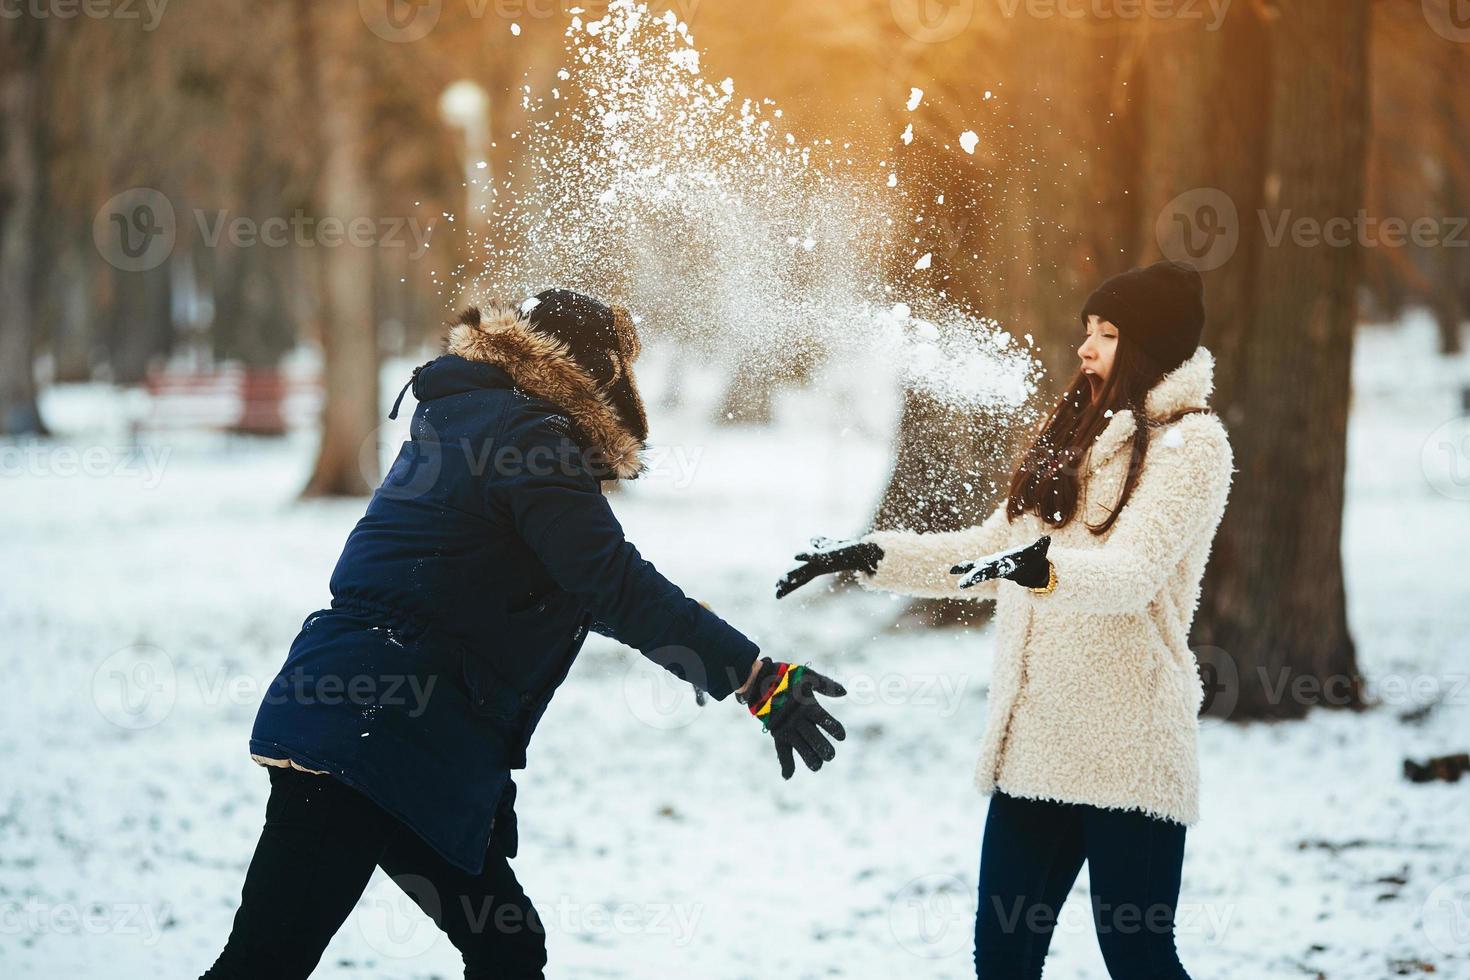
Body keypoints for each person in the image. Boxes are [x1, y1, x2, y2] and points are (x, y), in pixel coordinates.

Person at [203, 289, 847, 979]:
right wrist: (751, 676)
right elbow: (613, 585)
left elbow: (569, 588)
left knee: (503, 944)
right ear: (589, 371)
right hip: (376, 732)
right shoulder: (528, 438)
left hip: (381, 726)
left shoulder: (468, 417)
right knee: (271, 961)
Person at [778, 261, 1234, 979]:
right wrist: (873, 556)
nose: (1086, 347)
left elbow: (1132, 574)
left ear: (1151, 346)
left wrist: (1040, 569)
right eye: (1088, 329)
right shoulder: (1076, 428)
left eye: (1108, 334)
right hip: (1037, 746)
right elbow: (988, 550)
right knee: (1003, 961)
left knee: (1139, 957)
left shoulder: (1192, 445)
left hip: (1131, 747)